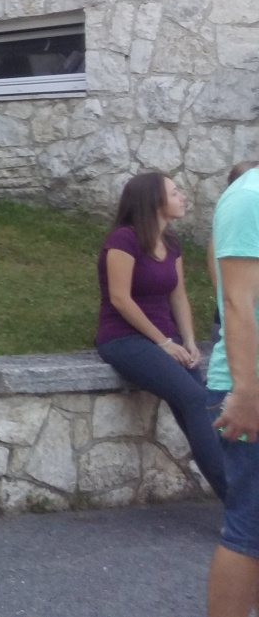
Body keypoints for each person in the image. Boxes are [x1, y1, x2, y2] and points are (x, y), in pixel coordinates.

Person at [94, 172, 226, 500]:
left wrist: (188, 340)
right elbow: (120, 299)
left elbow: (178, 295)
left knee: (201, 402)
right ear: (154, 201)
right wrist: (163, 342)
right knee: (193, 398)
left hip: (166, 339)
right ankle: (237, 500)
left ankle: (237, 499)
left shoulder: (170, 241)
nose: (183, 197)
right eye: (175, 192)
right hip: (124, 339)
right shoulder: (123, 240)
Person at [206, 164, 259, 617]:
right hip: (252, 387)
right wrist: (246, 391)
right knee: (250, 533)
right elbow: (237, 301)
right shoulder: (250, 197)